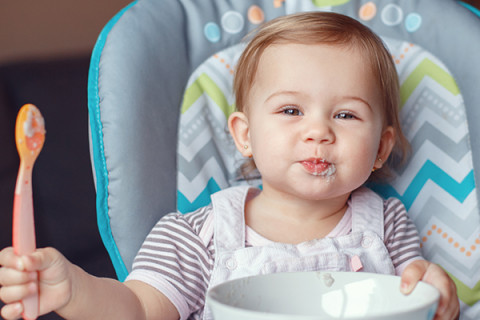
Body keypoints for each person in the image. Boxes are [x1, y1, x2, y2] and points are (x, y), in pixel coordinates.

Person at [0, 12, 459, 320]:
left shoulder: (388, 225)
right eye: (291, 111)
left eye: (345, 115)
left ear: (381, 148)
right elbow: (138, 309)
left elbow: (416, 301)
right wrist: (74, 291)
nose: (318, 132)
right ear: (245, 135)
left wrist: (437, 296)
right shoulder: (198, 234)